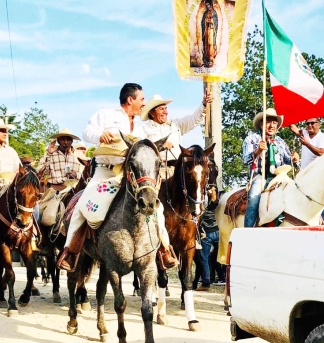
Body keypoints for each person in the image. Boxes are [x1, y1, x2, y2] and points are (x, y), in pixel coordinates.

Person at [57, 83, 178, 272]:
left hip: (128, 176)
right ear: (130, 100)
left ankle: (164, 249)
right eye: (142, 100)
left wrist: (161, 146)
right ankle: (70, 252)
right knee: (83, 205)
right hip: (104, 173)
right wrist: (100, 135)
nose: (143, 104)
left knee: (157, 208)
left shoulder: (139, 129)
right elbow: (86, 132)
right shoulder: (105, 115)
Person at [243, 108, 299, 227]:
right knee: (253, 198)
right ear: (261, 124)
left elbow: (288, 161)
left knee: (298, 190)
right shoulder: (251, 139)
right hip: (260, 176)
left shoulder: (280, 142)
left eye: (274, 123)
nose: (271, 125)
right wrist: (257, 151)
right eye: (268, 122)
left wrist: (294, 159)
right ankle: (248, 231)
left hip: (280, 176)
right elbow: (246, 159)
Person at [139, 90, 213, 163]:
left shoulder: (176, 124)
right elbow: (141, 152)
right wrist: (160, 146)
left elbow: (193, 120)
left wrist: (204, 104)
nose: (165, 112)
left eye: (166, 108)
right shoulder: (144, 130)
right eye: (161, 109)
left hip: (177, 170)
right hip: (156, 171)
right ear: (152, 113)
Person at [290, 118, 324, 223]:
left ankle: (323, 225)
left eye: (313, 123)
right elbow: (293, 128)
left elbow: (321, 152)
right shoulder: (305, 134)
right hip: (305, 176)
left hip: (318, 177)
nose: (310, 125)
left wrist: (307, 144)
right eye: (307, 123)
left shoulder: (322, 137)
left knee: (318, 201)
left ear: (319, 124)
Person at [196, 184, 224, 291]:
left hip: (207, 234)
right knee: (217, 257)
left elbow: (202, 210)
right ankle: (222, 278)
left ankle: (206, 283)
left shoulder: (209, 205)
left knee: (204, 259)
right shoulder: (218, 205)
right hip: (217, 231)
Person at [0, 118, 21, 188]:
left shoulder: (11, 151)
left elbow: (18, 170)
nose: (5, 133)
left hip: (9, 190)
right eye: (2, 131)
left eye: (6, 131)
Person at [201, 0, 218, 68]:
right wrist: (205, 22)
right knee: (206, 45)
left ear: (211, 5)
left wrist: (211, 22)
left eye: (209, 5)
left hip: (211, 31)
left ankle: (211, 60)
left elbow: (216, 22)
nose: (208, 6)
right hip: (206, 31)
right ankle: (206, 60)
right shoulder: (205, 13)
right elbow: (202, 22)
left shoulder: (214, 13)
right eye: (207, 5)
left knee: (210, 44)